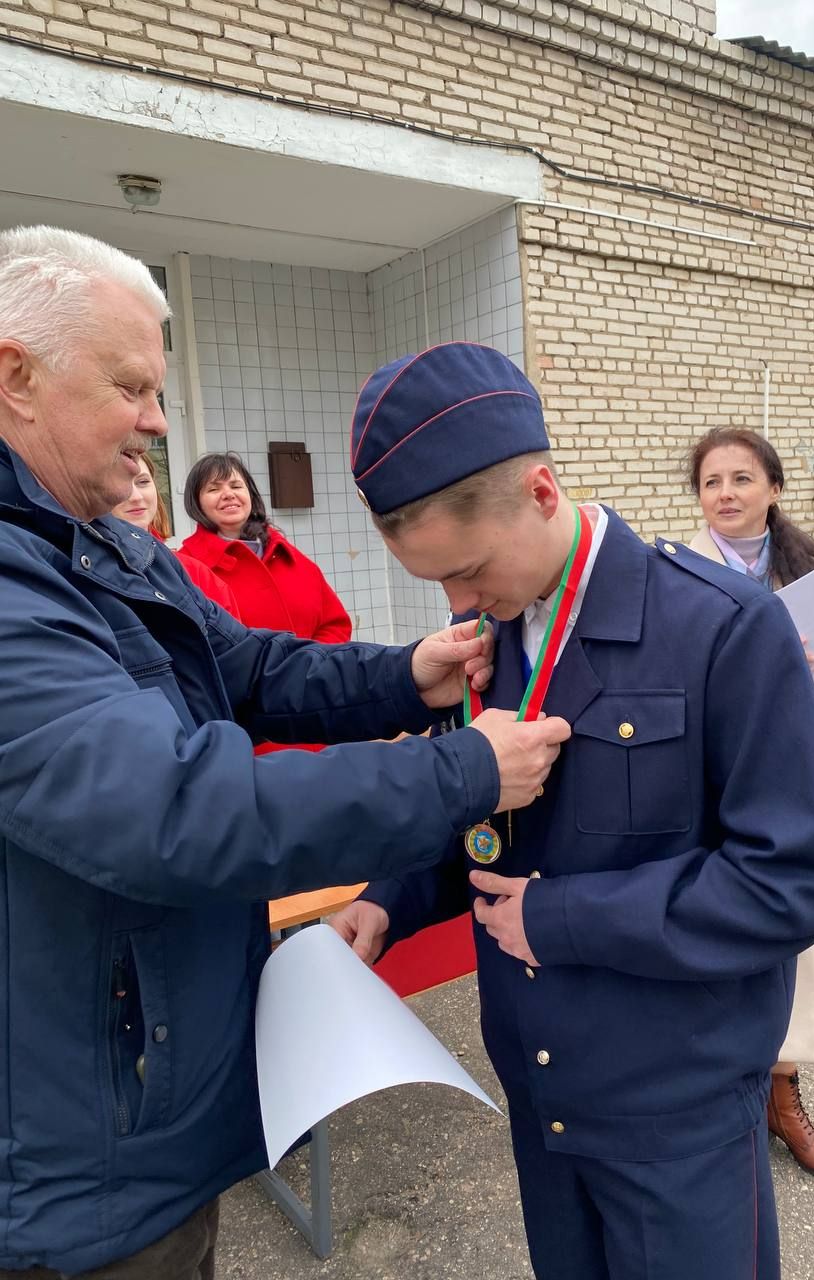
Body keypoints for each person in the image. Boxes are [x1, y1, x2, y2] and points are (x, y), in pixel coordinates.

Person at [0, 227, 571, 1277]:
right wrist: (463, 769)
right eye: (130, 386)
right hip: (77, 1154)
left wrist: (407, 675)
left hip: (143, 1101)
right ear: (16, 376)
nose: (157, 422)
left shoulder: (101, 542)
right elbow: (173, 808)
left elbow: (252, 666)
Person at [334, 341, 814, 1280]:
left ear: (540, 492)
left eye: (468, 568)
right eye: (435, 582)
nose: (459, 601)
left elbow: (795, 880)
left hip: (675, 1111)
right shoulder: (495, 633)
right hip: (541, 1092)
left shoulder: (723, 627)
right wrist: (391, 897)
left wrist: (564, 917)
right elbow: (489, 828)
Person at [685, 426, 814, 1184]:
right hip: (708, 790)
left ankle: (783, 1098)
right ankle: (719, 1105)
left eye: (743, 478)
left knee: (795, 944)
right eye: (712, 481)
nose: (727, 493)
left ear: (774, 489)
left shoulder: (813, 578)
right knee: (713, 939)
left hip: (795, 789)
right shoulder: (675, 577)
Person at [180, 451, 351, 644]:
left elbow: (335, 624)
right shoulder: (186, 566)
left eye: (236, 486)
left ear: (250, 495)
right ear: (197, 502)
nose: (228, 494)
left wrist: (313, 659)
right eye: (213, 489)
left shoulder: (285, 553)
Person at [111, 449, 240, 615]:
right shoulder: (86, 572)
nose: (136, 497)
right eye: (119, 482)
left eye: (143, 482)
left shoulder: (196, 573)